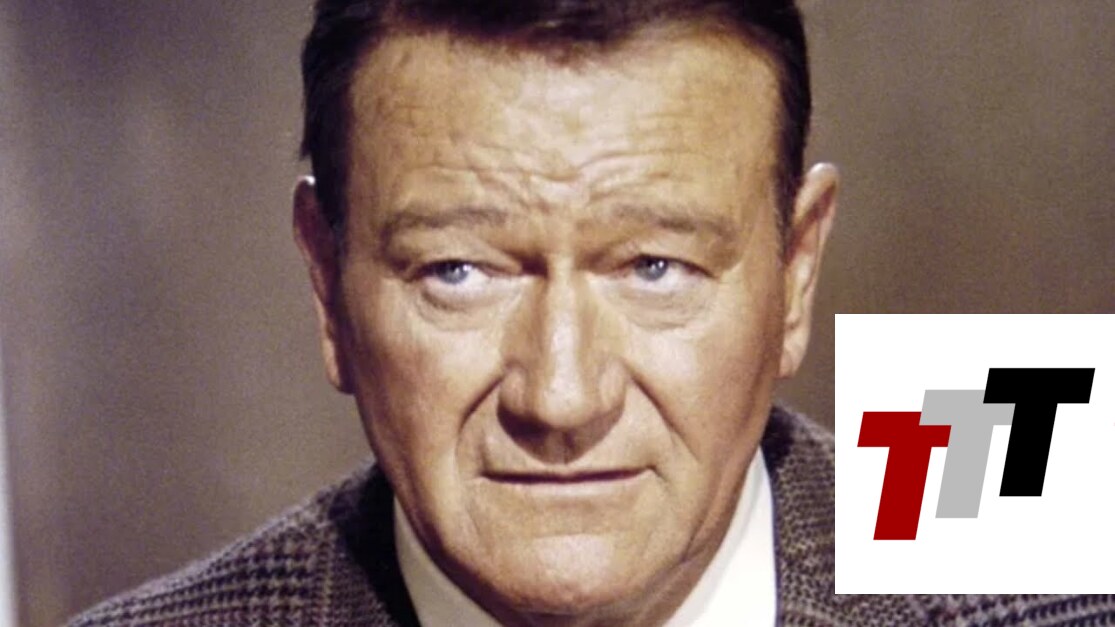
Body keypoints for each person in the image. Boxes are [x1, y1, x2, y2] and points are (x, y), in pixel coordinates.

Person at [70, 1, 1114, 625]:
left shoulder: (1065, 578)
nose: (562, 397)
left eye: (654, 267)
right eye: (458, 271)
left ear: (795, 271)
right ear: (325, 281)